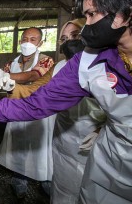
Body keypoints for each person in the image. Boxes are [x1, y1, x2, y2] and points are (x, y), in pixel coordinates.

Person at [0, 0, 132, 203]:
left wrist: (9, 82)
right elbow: (36, 102)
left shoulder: (46, 61)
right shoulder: (87, 62)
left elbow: (33, 77)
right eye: (85, 16)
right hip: (111, 159)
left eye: (92, 14)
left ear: (125, 13)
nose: (87, 26)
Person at [0, 27, 55, 198]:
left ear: (41, 43)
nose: (28, 43)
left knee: (42, 149)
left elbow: (33, 75)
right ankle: (19, 182)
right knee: (19, 147)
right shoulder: (11, 64)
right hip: (17, 109)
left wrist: (7, 76)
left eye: (33, 39)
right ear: (20, 41)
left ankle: (46, 182)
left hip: (40, 111)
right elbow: (0, 82)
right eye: (25, 39)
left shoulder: (46, 61)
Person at [51, 18, 106, 204]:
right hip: (64, 141)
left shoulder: (107, 66)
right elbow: (39, 95)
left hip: (95, 144)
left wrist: (104, 129)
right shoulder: (60, 68)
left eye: (75, 36)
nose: (69, 43)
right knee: (62, 190)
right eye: (64, 39)